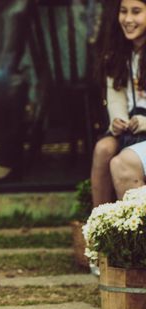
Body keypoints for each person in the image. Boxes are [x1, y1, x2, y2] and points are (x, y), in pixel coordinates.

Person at [95, 0, 146, 204]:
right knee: (103, 149)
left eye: (136, 12)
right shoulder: (118, 54)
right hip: (131, 127)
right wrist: (118, 120)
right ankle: (99, 225)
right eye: (123, 12)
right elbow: (115, 96)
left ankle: (133, 230)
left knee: (121, 161)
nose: (128, 19)